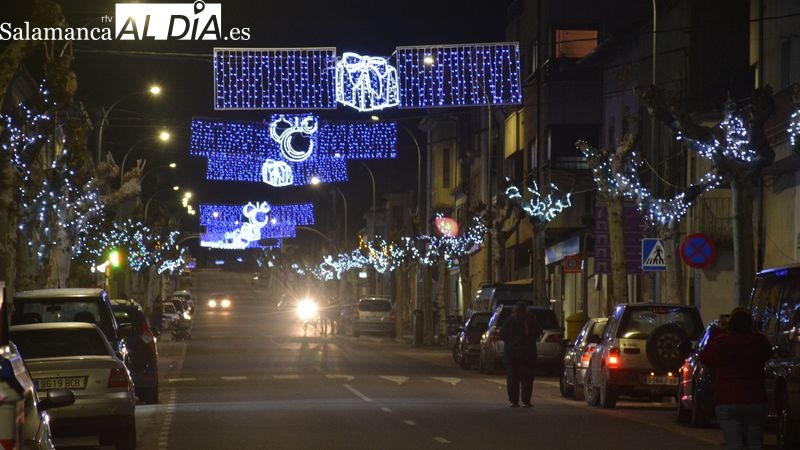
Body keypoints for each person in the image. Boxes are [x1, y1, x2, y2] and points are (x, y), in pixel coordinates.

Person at [699, 307, 771, 450]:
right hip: (754, 399)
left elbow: (706, 358)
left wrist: (718, 332)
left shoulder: (721, 342)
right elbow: (768, 354)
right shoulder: (758, 341)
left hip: (727, 399)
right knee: (756, 442)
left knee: (734, 443)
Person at [500, 301, 539, 408]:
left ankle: (514, 400)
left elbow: (502, 334)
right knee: (527, 379)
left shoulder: (510, 321)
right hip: (527, 353)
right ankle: (526, 400)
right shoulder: (530, 320)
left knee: (513, 379)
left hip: (512, 354)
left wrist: (510, 341)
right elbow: (537, 333)